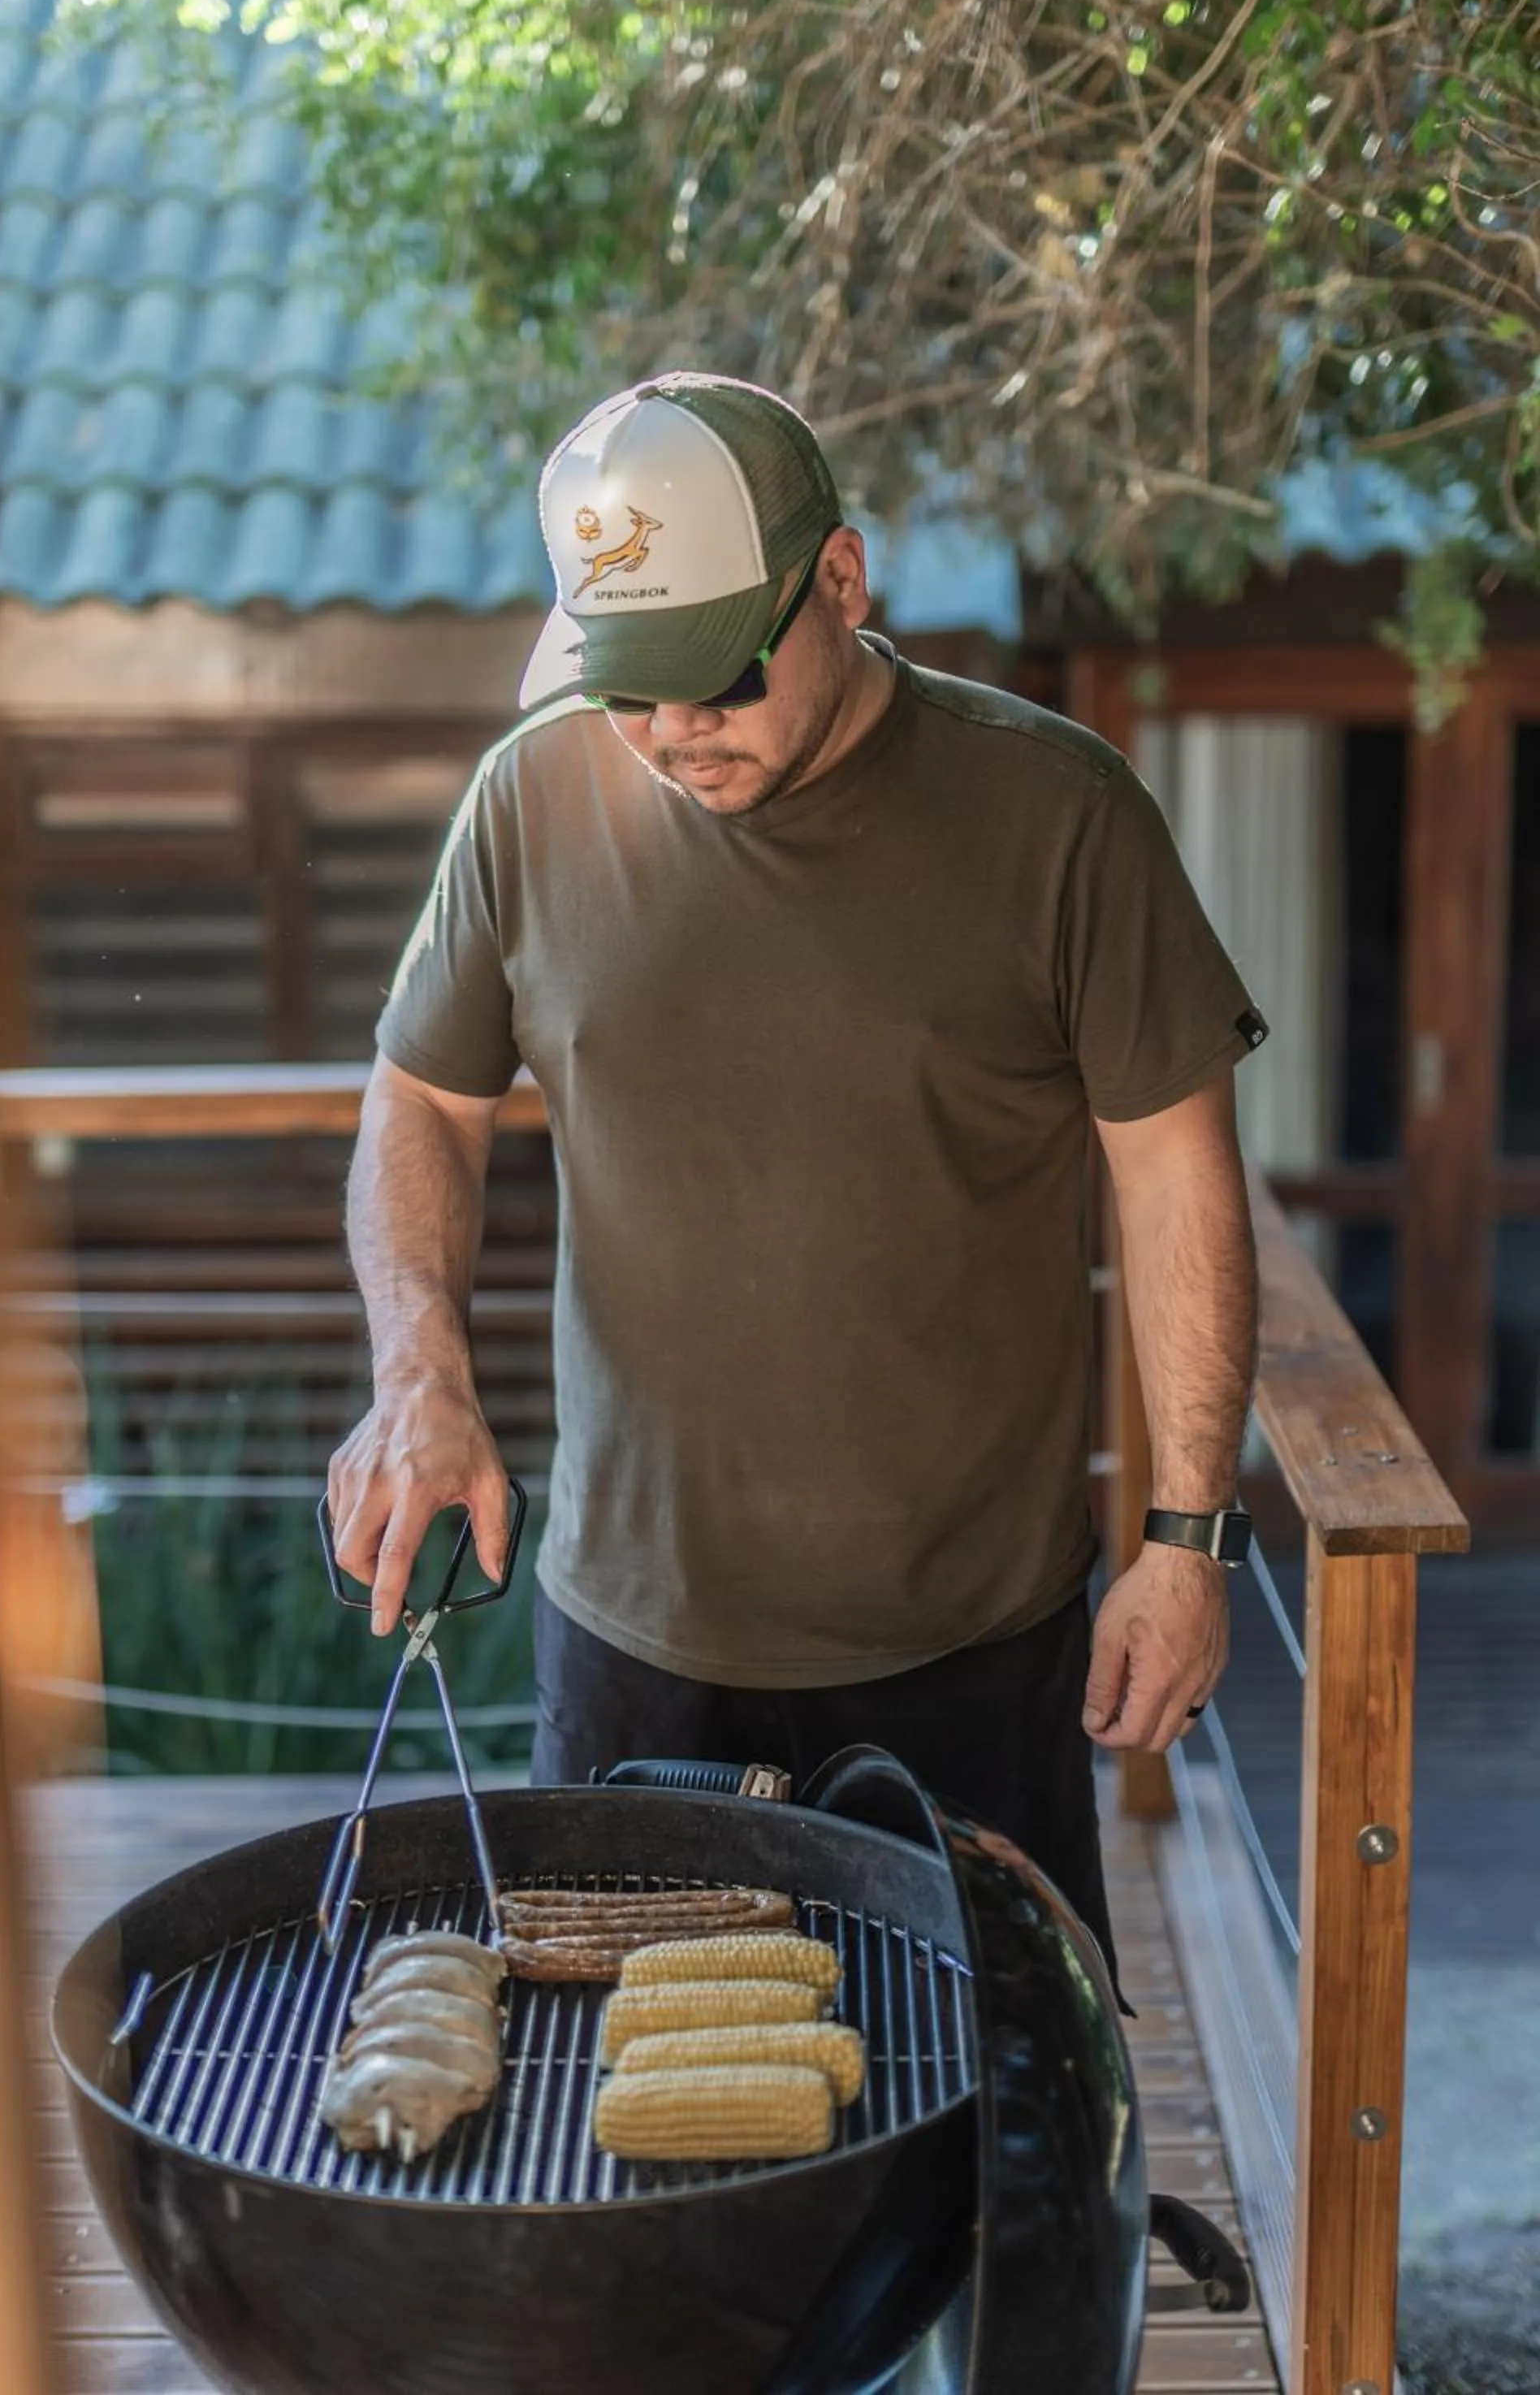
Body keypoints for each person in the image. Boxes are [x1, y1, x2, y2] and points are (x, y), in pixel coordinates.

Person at [327, 370, 1266, 1986]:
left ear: (839, 580)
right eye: (631, 686)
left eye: (716, 678)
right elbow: (422, 1097)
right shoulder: (533, 796)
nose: (671, 733)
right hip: (628, 1640)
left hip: (971, 1641)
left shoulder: (1057, 817)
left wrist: (1185, 1540)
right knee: (631, 2137)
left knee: (983, 2131)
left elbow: (1177, 1184)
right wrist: (417, 1368)